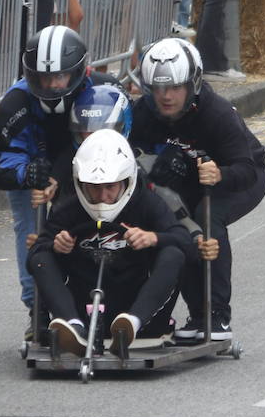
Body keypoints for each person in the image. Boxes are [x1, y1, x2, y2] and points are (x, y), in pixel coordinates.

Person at [131, 38, 265, 340]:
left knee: (205, 217)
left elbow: (246, 168)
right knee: (178, 227)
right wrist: (155, 163)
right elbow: (130, 154)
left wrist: (219, 174)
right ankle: (188, 314)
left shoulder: (216, 113)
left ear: (191, 84)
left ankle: (217, 315)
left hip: (238, 177)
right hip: (188, 182)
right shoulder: (143, 113)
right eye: (157, 88)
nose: (165, 97)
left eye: (174, 88)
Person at [29, 128, 189, 357]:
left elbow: (186, 243)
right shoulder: (68, 208)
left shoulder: (146, 203)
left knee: (174, 253)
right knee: (42, 259)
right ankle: (73, 326)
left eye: (110, 187)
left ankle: (132, 324)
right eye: (94, 188)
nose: (103, 197)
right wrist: (55, 245)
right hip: (84, 299)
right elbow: (35, 253)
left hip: (138, 303)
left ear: (126, 181)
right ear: (81, 184)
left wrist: (153, 238)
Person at [0, 24, 96, 339]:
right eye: (43, 78)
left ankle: (85, 296)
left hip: (81, 167)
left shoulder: (96, 91)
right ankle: (37, 307)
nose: (51, 86)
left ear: (78, 72)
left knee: (77, 222)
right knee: (30, 229)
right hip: (34, 166)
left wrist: (58, 178)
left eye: (59, 77)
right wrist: (27, 174)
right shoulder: (15, 102)